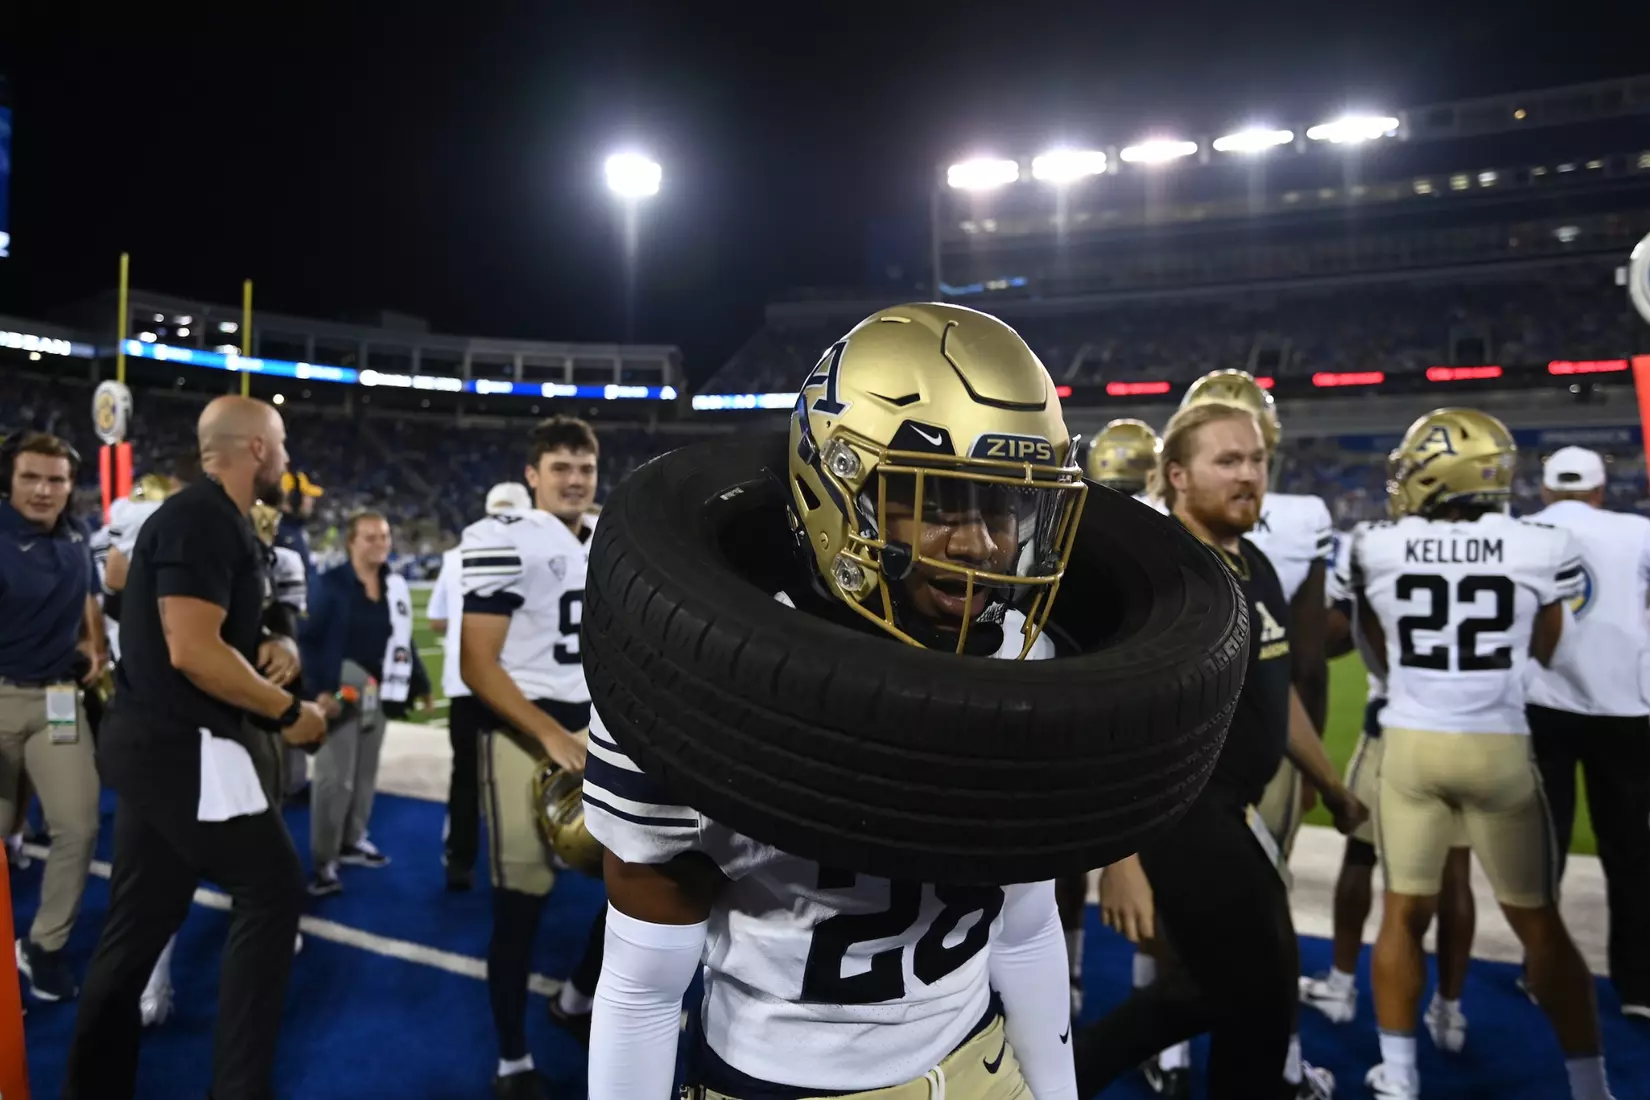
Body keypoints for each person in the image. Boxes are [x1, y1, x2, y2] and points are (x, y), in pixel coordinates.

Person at [585, 304, 1081, 1100]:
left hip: (982, 1062)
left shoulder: (1031, 656)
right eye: (944, 500)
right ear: (841, 486)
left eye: (1005, 504)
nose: (985, 545)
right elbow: (643, 986)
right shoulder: (700, 673)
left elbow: (1024, 924)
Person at [1073, 401, 1359, 1100]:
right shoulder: (1162, 577)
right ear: (1176, 476)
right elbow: (1103, 721)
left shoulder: (1252, 560)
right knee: (1249, 989)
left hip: (1234, 811)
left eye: (1257, 460)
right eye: (1227, 461)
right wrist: (1119, 858)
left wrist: (1332, 782)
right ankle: (1058, 1082)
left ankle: (1059, 1083)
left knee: (1223, 991)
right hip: (1181, 815)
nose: (1249, 476)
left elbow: (1277, 688)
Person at [63, 395, 328, 1100]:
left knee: (138, 926)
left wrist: (270, 645)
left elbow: (213, 632)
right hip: (180, 746)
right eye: (282, 444)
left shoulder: (223, 522)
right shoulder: (199, 517)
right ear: (256, 451)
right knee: (272, 889)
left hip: (164, 745)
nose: (289, 459)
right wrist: (288, 712)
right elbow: (191, 650)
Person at [1351, 408, 1615, 1100]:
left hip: (1411, 743)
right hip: (1499, 744)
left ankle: (1400, 1076)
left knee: (1402, 912)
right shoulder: (1543, 543)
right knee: (1541, 924)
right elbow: (1549, 646)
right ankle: (1590, 1085)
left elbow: (1375, 648)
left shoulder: (1376, 543)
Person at [458, 417, 607, 1099]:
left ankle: (575, 998)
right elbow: (477, 664)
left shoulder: (611, 537)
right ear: (532, 474)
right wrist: (549, 735)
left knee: (644, 877)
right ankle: (511, 1060)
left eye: (585, 467)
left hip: (599, 733)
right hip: (523, 734)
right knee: (522, 901)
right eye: (561, 467)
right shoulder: (501, 538)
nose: (575, 480)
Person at [1298, 500, 1476, 1051]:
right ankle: (1449, 1011)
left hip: (1397, 724)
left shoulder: (1384, 545)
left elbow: (1332, 640)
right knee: (1454, 875)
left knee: (1361, 855)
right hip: (1474, 728)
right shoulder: (1512, 546)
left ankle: (1344, 985)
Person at [136, 495, 311, 1028]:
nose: (263, 519)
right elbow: (172, 636)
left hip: (252, 718)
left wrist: (284, 641)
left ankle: (253, 928)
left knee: (264, 825)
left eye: (269, 513)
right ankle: (156, 971)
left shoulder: (278, 561)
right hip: (189, 723)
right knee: (172, 854)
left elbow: (284, 619)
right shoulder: (192, 542)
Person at [1520, 445, 1650, 1020]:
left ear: (1546, 489)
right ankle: (1640, 985)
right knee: (1631, 852)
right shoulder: (1639, 532)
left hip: (1541, 705)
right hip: (1626, 709)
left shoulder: (1523, 531)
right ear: (1600, 488)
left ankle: (1542, 973)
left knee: (1542, 854)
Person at [0, 431, 104, 1003]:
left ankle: (44, 946)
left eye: (57, 480)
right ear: (8, 480)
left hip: (58, 703)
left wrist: (94, 645)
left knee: (79, 826)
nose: (44, 490)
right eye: (31, 477)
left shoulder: (76, 535)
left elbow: (88, 596)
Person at [299, 510, 431, 896]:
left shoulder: (393, 584)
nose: (379, 544)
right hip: (341, 686)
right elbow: (307, 639)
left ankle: (352, 840)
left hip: (379, 688)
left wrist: (420, 682)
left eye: (384, 537)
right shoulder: (329, 584)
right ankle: (324, 861)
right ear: (351, 542)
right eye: (370, 537)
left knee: (365, 772)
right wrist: (319, 689)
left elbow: (403, 639)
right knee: (333, 776)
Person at [428, 480, 531, 892]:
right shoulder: (537, 552)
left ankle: (460, 860)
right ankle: (526, 861)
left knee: (466, 779)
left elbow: (437, 618)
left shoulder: (456, 557)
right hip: (517, 685)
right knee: (525, 778)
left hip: (466, 683)